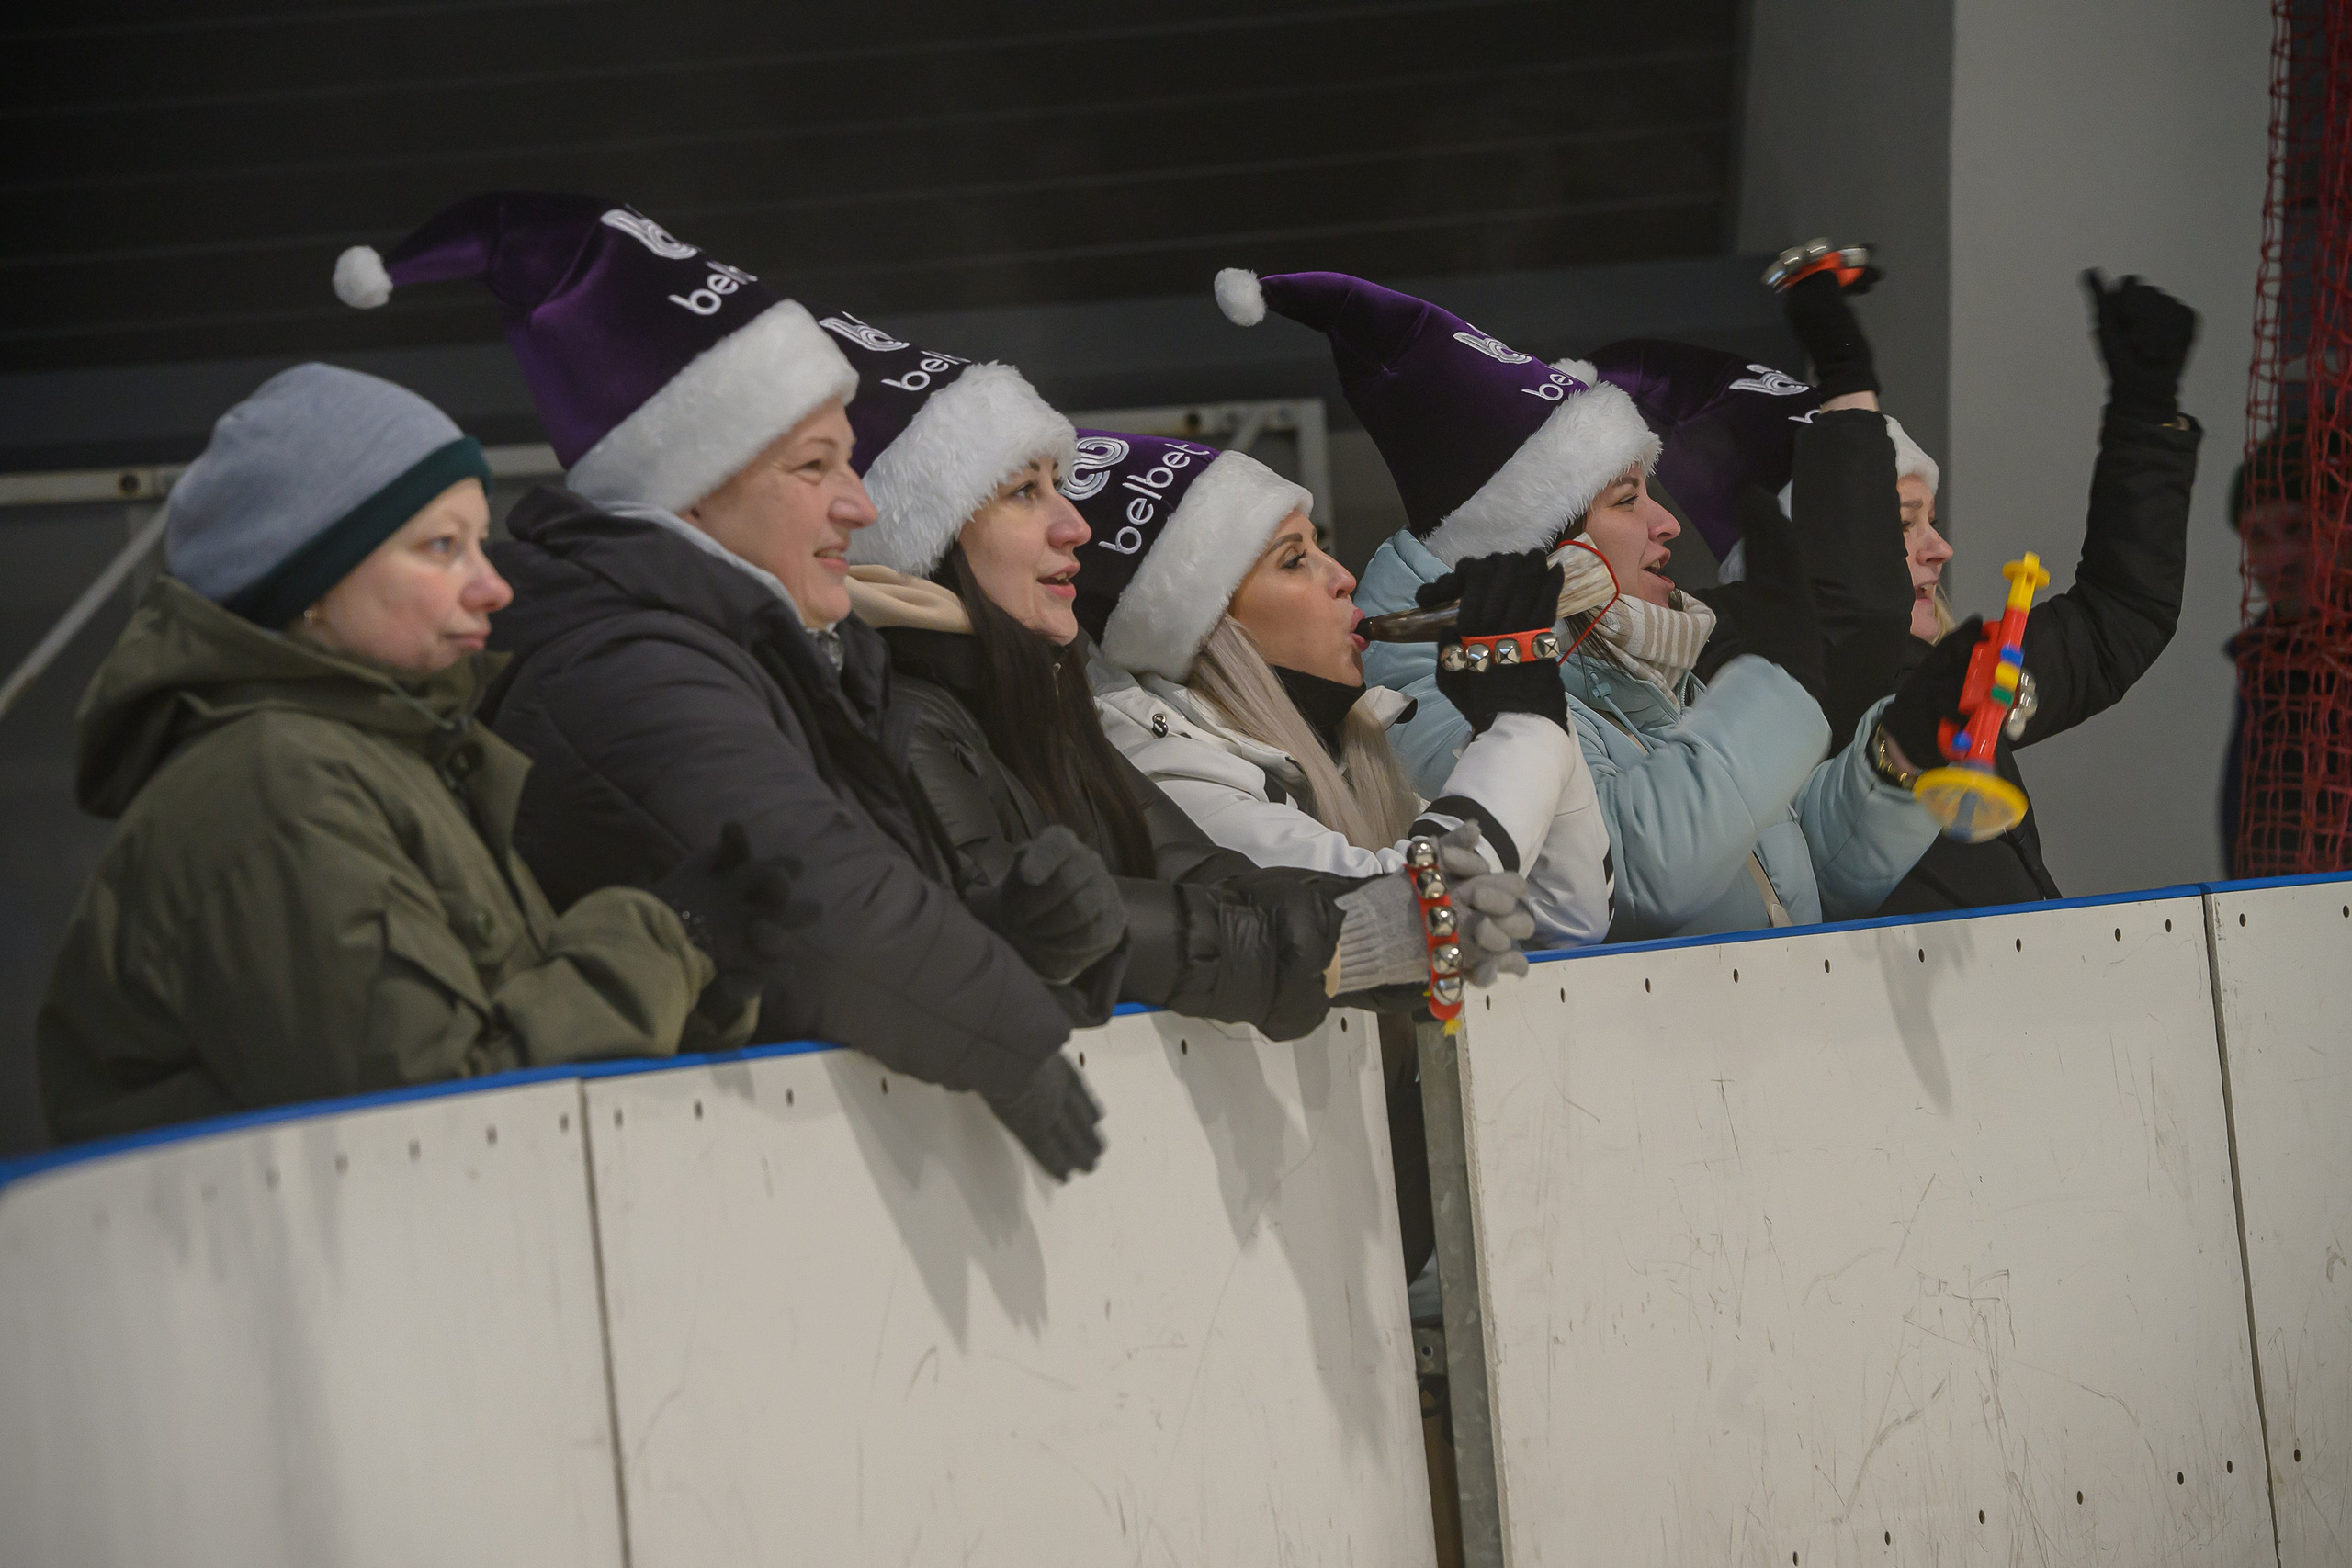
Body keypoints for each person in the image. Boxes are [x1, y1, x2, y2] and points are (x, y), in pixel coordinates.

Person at [334, 193, 1106, 1180]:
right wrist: (1004, 1022)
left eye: (853, 461)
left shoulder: (788, 650)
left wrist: (1001, 928)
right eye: (816, 465)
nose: (859, 503)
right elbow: (807, 890)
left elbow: (847, 895)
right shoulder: (618, 667)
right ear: (691, 484)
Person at [40, 365, 796, 1142]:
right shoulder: (272, 787)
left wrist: (695, 990)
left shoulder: (398, 761)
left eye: (479, 542)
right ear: (312, 581)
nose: (493, 587)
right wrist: (666, 942)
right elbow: (426, 1121)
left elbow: (495, 1045)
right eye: (441, 547)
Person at [812, 307, 1514, 1033]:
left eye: (1059, 484)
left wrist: (1384, 913)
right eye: (1026, 492)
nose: (1072, 523)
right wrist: (1354, 936)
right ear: (927, 537)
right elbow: (1070, 931)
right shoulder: (905, 718)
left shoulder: (1041, 704)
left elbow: (1195, 872)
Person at [1224, 267, 1946, 938]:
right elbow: (1643, 878)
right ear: (1540, 546)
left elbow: (1783, 874)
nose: (1667, 524)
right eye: (1628, 500)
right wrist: (1781, 680)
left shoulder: (1626, 656)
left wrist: (1898, 761)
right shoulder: (1435, 696)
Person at [1057, 423, 1613, 955]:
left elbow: (1565, 921)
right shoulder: (1169, 779)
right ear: (1204, 628)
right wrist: (1523, 722)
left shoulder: (1330, 750)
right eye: (1296, 560)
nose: (1344, 576)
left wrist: (1525, 714)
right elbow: (1406, 916)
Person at [1775, 260, 2202, 909]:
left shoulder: (1955, 670)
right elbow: (1854, 600)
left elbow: (2118, 617)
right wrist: (1845, 374)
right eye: (1903, 524)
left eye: (1933, 523)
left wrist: (2145, 418)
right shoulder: (1786, 700)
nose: (1940, 548)